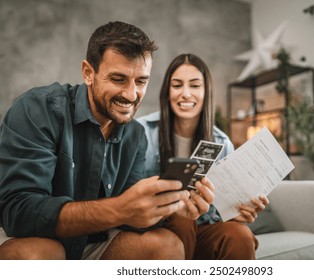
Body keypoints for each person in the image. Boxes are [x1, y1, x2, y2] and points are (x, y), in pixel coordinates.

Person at [0, 22, 215, 260]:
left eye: (141, 81)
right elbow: (18, 212)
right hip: (36, 240)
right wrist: (119, 209)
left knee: (167, 245)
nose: (131, 95)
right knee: (42, 254)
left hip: (93, 245)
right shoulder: (38, 109)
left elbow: (133, 220)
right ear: (88, 73)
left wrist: (170, 210)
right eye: (118, 79)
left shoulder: (135, 134)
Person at [137, 53, 269, 260]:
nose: (186, 94)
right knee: (182, 216)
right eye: (177, 85)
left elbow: (221, 212)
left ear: (206, 92)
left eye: (195, 85)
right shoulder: (142, 131)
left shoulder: (222, 142)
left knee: (240, 235)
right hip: (157, 228)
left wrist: (238, 212)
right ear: (167, 92)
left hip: (202, 229)